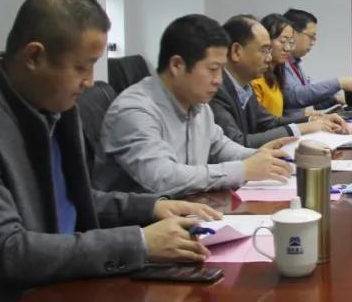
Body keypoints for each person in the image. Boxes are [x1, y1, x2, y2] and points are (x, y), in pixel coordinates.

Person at [0, 0, 220, 302]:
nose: (90, 81)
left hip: (69, 289)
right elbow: (7, 251)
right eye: (82, 67)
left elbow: (69, 200)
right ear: (34, 57)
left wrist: (152, 207)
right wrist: (139, 242)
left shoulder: (52, 103)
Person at [95, 14, 294, 198]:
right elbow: (163, 178)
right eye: (213, 69)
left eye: (222, 70)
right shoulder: (135, 111)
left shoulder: (197, 103)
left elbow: (219, 146)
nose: (219, 80)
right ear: (177, 65)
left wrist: (259, 158)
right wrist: (242, 170)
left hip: (190, 209)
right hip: (148, 222)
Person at [213, 15, 346, 148]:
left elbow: (268, 123)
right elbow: (237, 143)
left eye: (269, 50)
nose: (269, 58)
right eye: (264, 50)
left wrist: (312, 120)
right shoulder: (216, 90)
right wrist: (303, 128)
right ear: (236, 51)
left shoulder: (245, 87)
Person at [283, 8, 352, 111]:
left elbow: (311, 98)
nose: (313, 42)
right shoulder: (279, 64)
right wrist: (339, 83)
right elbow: (296, 96)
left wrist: (336, 99)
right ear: (292, 33)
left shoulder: (295, 64)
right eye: (311, 36)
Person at [252, 13, 297, 118]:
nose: (287, 48)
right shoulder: (256, 78)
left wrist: (309, 117)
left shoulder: (276, 74)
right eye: (283, 41)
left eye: (290, 42)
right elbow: (261, 121)